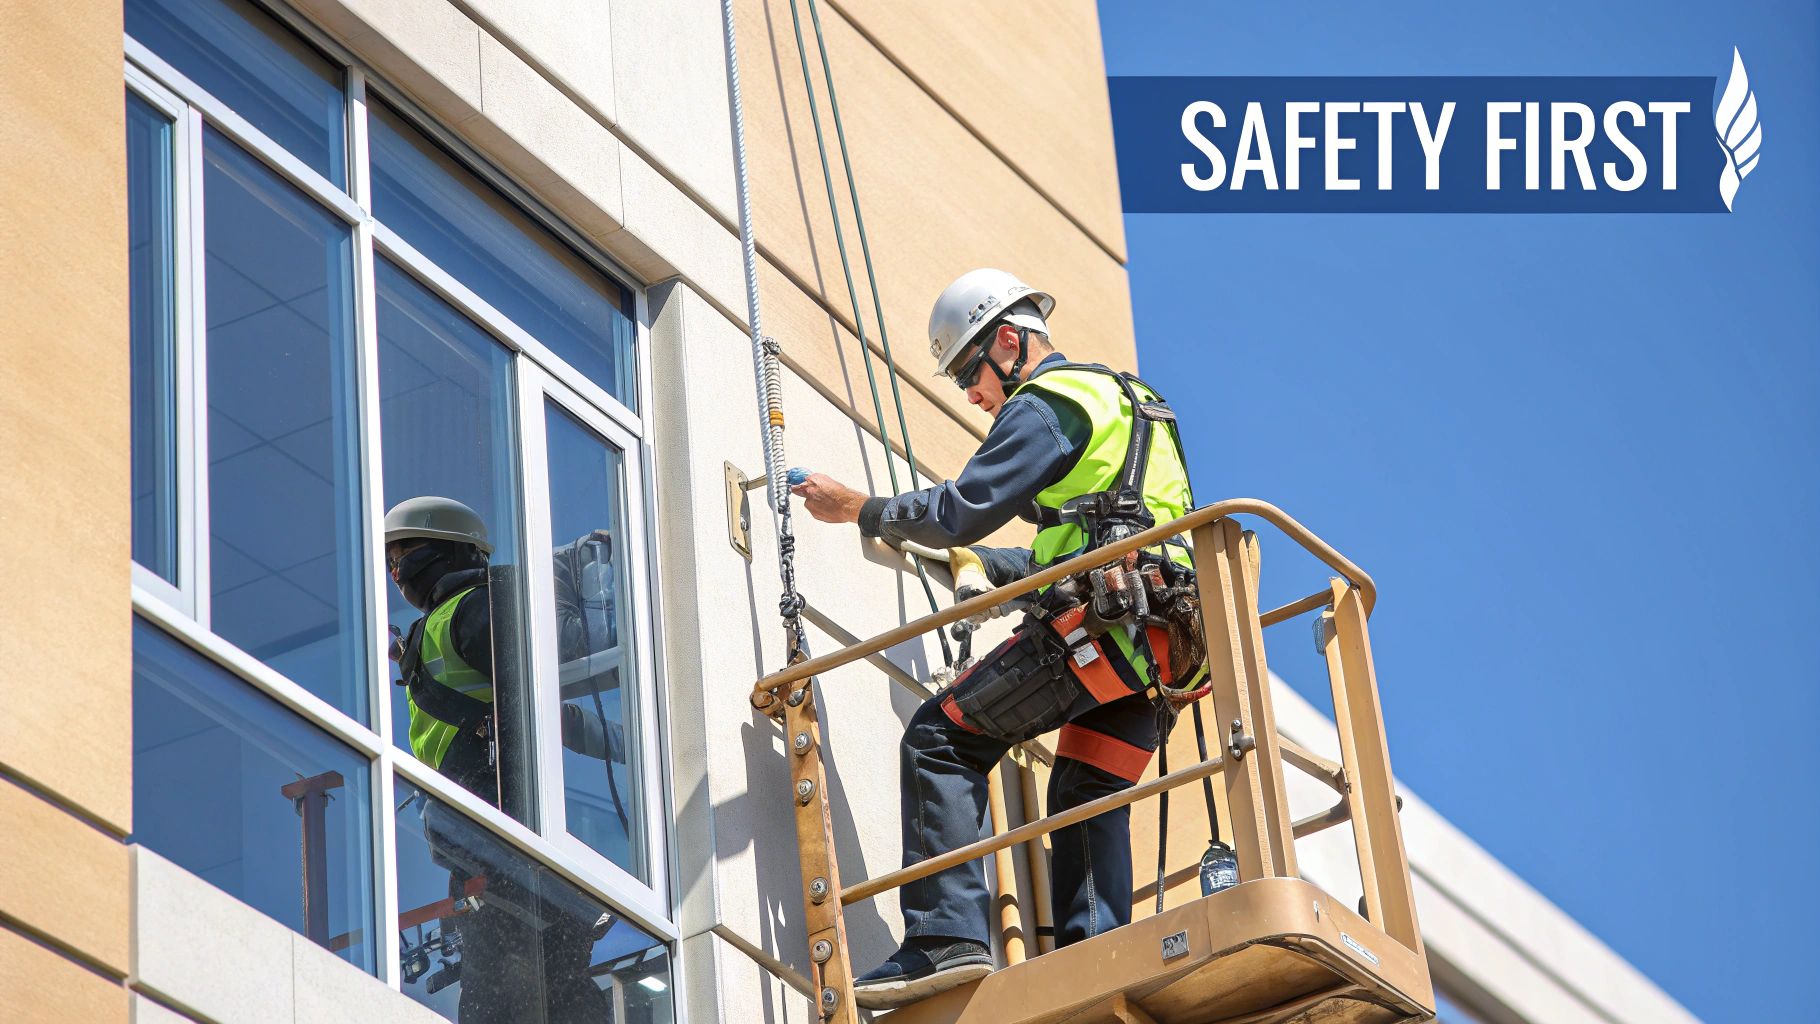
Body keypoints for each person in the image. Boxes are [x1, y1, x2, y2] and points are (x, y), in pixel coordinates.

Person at [791, 269, 1201, 1009]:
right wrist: (988, 565)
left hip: (1103, 631)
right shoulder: (1134, 402)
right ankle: (1096, 958)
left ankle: (945, 938)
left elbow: (963, 507)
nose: (974, 397)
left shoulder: (1050, 401)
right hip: (1165, 646)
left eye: (969, 375)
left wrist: (864, 510)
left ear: (1007, 341)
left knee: (942, 739)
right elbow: (1095, 536)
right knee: (1083, 790)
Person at [384, 496, 622, 1022]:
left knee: (507, 985)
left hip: (492, 829)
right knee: (536, 978)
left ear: (448, 552)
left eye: (404, 556)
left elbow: (565, 657)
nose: (397, 572)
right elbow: (539, 707)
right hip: (484, 834)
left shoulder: (472, 610)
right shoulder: (452, 622)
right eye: (391, 562)